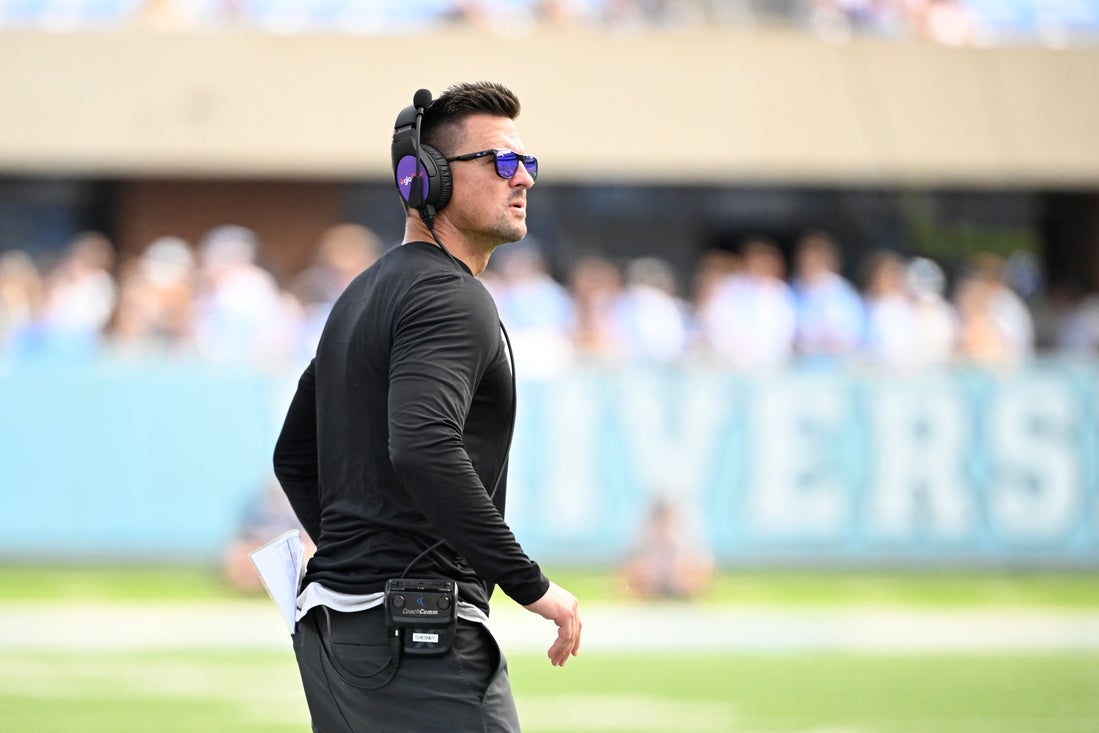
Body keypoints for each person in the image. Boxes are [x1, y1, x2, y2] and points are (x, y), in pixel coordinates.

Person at [272, 81, 581, 733]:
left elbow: (293, 456)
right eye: (500, 161)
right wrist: (529, 584)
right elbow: (423, 445)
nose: (522, 178)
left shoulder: (360, 294)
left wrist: (358, 558)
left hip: (338, 631)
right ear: (428, 178)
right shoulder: (450, 296)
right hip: (414, 636)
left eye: (526, 161)